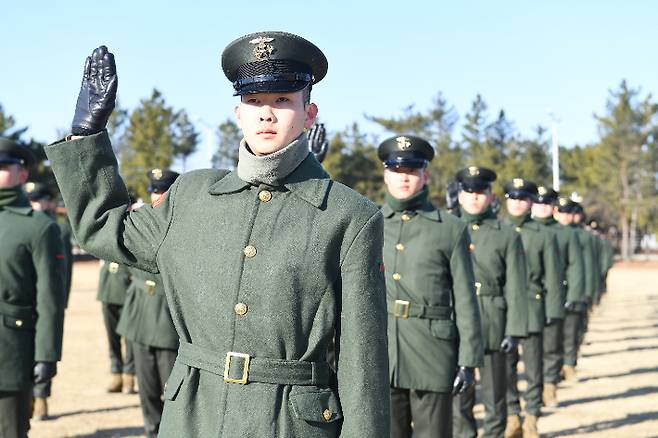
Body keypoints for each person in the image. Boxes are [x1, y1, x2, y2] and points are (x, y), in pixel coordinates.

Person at [45, 33, 389, 437]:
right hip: (193, 416)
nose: (267, 114)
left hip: (290, 424)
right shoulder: (191, 197)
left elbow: (362, 364)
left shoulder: (349, 216)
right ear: (237, 113)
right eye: (254, 102)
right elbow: (104, 226)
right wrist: (88, 137)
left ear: (309, 113)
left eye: (282, 101)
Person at [378, 135, 482, 438]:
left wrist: (468, 360)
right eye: (397, 171)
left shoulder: (450, 229)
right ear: (386, 175)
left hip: (432, 351)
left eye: (411, 171)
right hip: (383, 351)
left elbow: (465, 298)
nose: (404, 178)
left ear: (425, 175)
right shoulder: (371, 223)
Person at [452, 166, 528, 438]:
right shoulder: (448, 227)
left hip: (494, 320)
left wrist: (514, 330)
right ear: (459, 195)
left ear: (491, 195)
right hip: (458, 323)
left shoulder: (506, 233)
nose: (474, 197)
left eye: (480, 191)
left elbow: (517, 286)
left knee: (495, 396)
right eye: (468, 191)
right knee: (460, 398)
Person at [0, 138, 66, 438]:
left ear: (22, 174)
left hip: (11, 354)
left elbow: (50, 299)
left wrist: (47, 355)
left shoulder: (39, 228)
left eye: (2, 167)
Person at [117, 169, 180, 438]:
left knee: (172, 388)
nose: (157, 196)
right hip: (141, 314)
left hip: (168, 318)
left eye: (163, 191)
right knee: (146, 386)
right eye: (154, 190)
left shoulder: (185, 225)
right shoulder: (140, 222)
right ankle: (150, 430)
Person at [502, 179, 562, 438]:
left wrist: (552, 312)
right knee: (505, 366)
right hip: (503, 309)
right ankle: (512, 414)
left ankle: (532, 418)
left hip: (532, 306)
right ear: (506, 200)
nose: (517, 203)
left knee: (533, 367)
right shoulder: (498, 230)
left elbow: (553, 277)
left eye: (523, 199)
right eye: (513, 198)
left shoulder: (544, 234)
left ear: (530, 202)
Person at [24, 182, 74, 420]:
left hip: (47, 299)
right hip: (25, 301)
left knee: (44, 349)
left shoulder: (56, 229)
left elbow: (64, 270)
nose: (37, 204)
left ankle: (41, 397)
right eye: (33, 199)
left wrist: (61, 301)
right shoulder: (22, 225)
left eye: (40, 199)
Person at [531, 187, 585, 408]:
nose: (543, 208)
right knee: (532, 350)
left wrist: (573, 295)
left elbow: (575, 267)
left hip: (555, 295)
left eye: (547, 204)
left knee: (552, 344)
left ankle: (550, 385)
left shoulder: (565, 233)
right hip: (527, 298)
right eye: (539, 203)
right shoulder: (523, 230)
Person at [554, 197, 593, 381]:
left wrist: (581, 292)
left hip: (573, 289)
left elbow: (584, 265)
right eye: (562, 212)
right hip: (554, 291)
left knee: (571, 330)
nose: (566, 216)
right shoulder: (551, 232)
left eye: (569, 212)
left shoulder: (582, 235)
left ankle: (569, 363)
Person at [97, 259, 136, 393]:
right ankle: (116, 373)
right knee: (112, 337)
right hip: (108, 287)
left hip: (128, 284)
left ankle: (129, 375)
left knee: (130, 337)